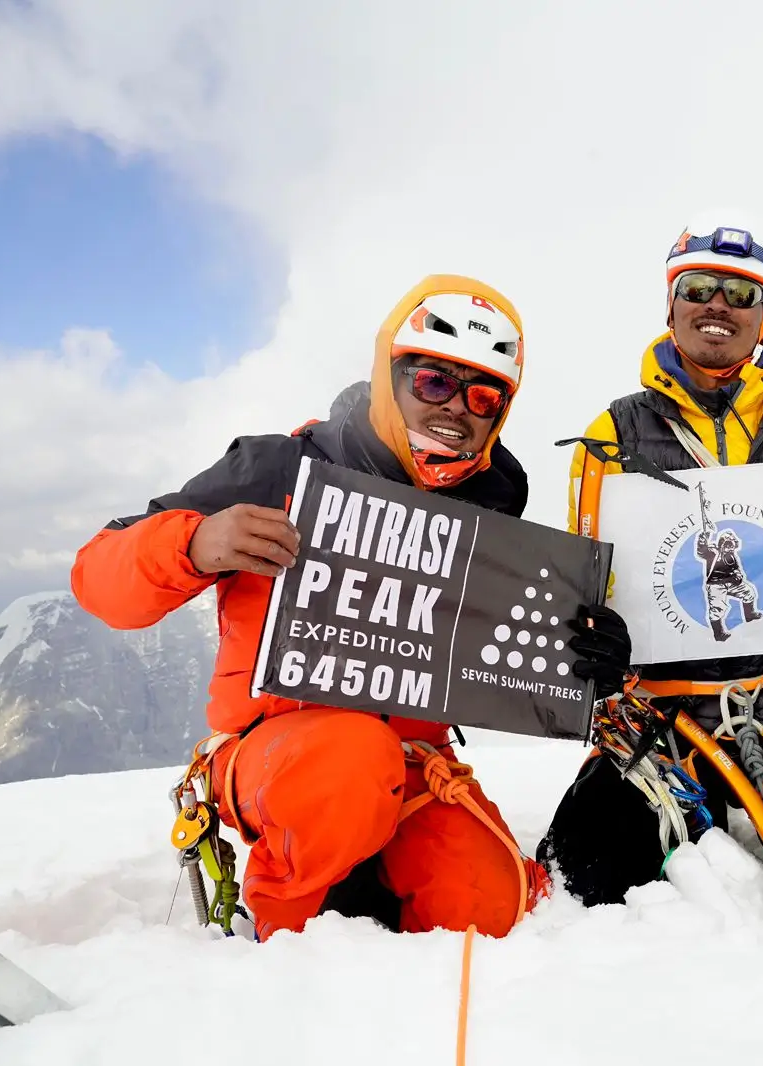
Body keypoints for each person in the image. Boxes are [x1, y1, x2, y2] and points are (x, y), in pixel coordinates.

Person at [69, 274, 634, 943]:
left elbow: (488, 638)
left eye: (483, 395)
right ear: (389, 374)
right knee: (350, 762)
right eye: (433, 383)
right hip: (276, 754)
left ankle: (383, 877)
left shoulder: (492, 498)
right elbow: (99, 581)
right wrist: (195, 543)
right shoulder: (278, 469)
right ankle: (283, 933)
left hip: (413, 764)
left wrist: (586, 658)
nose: (456, 407)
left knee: (488, 907)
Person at [537, 216, 763, 953]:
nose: (719, 305)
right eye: (699, 288)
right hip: (657, 718)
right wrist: (596, 637)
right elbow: (582, 582)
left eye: (742, 294)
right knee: (584, 879)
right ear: (670, 305)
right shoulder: (611, 433)